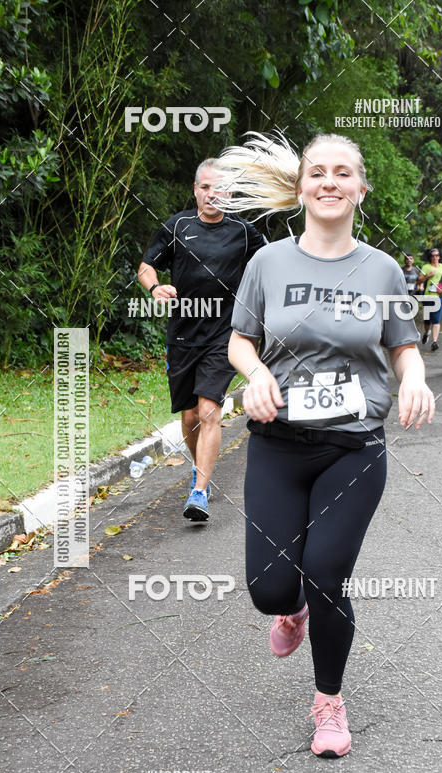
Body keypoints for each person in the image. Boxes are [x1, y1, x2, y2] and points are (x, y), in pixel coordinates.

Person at [218, 131, 435, 758]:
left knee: (326, 574)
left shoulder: (382, 269)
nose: (330, 182)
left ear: (361, 188)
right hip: (278, 446)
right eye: (318, 172)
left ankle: (329, 702)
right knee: (270, 590)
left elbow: (403, 346)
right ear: (302, 187)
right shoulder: (268, 264)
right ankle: (291, 611)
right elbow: (240, 341)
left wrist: (415, 378)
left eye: (344, 173)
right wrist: (256, 374)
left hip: (353, 447)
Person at [138, 158, 266, 521]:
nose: (212, 194)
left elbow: (270, 264)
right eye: (205, 187)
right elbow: (146, 266)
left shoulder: (244, 232)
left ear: (230, 193)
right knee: (190, 416)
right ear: (195, 189)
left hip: (224, 334)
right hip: (182, 335)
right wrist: (155, 286)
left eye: (220, 188)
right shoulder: (177, 226)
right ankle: (200, 469)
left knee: (209, 410)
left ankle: (199, 490)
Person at [417, 248, 442, 351]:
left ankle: (434, 342)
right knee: (427, 320)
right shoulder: (426, 267)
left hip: (439, 297)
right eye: (433, 255)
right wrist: (427, 276)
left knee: (436, 319)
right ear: (430, 257)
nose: (435, 257)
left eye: (436, 255)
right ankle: (426, 332)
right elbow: (419, 280)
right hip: (428, 296)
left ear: (439, 256)